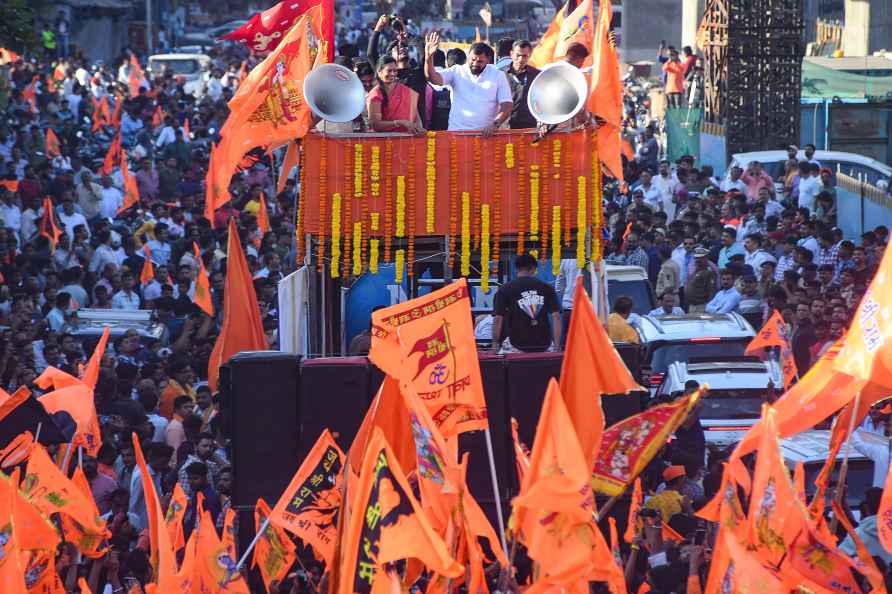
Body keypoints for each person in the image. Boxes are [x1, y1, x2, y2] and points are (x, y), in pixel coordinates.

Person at [425, 34, 512, 134]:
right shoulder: (457, 71)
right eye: (472, 60)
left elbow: (507, 105)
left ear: (488, 60)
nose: (475, 64)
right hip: (457, 133)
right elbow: (433, 78)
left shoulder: (498, 75)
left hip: (486, 135)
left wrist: (495, 124)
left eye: (480, 61)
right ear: (468, 57)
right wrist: (429, 57)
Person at [491, 254, 561, 352]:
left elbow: (498, 318)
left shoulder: (505, 289)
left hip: (515, 345)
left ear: (516, 269)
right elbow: (556, 317)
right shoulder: (547, 288)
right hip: (544, 344)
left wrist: (495, 343)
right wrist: (557, 346)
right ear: (534, 269)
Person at [367, 15, 429, 124]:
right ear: (390, 56)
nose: (402, 48)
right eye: (397, 48)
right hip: (392, 132)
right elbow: (371, 54)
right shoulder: (386, 76)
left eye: (405, 47)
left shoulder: (418, 73)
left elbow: (423, 50)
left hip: (417, 132)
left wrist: (406, 34)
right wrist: (379, 27)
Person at [367, 57, 424, 134]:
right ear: (379, 72)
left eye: (395, 70)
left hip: (409, 139)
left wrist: (419, 128)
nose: (393, 74)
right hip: (385, 140)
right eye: (389, 71)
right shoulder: (376, 94)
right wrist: (399, 123)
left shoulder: (406, 90)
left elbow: (416, 116)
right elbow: (375, 124)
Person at [129, 442, 173, 531]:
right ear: (154, 458)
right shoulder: (143, 477)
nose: (166, 465)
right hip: (141, 527)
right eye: (164, 462)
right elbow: (133, 505)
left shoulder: (157, 474)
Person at [501, 40, 539, 129]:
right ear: (511, 54)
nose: (521, 59)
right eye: (518, 55)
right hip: (504, 128)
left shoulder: (536, 75)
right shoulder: (500, 74)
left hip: (528, 128)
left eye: (525, 56)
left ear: (529, 56)